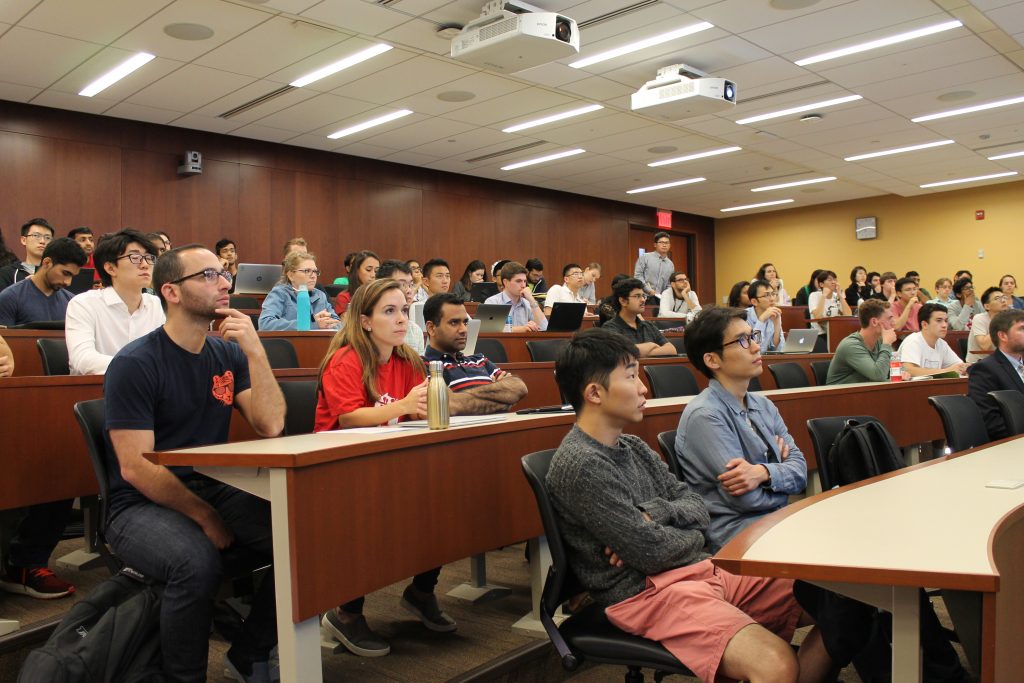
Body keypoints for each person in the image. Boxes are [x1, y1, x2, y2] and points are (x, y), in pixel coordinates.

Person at [545, 327, 834, 683]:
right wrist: (671, 535)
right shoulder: (581, 464)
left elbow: (698, 508)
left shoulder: (633, 446)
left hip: (700, 571)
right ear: (594, 392)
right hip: (646, 594)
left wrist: (656, 516)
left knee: (841, 597)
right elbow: (652, 553)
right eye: (632, 376)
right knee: (776, 665)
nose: (643, 388)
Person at [103, 244, 285, 681]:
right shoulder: (135, 363)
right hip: (139, 503)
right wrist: (205, 516)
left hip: (211, 484)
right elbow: (136, 467)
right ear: (172, 292)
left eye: (224, 273)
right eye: (207, 275)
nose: (224, 283)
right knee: (195, 563)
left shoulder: (226, 354)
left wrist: (256, 352)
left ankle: (250, 653)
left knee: (303, 535)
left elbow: (271, 425)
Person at [315, 279, 454, 657]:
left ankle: (421, 593)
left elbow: (415, 411)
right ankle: (345, 614)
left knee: (441, 505)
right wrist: (403, 405)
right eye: (388, 311)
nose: (399, 319)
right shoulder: (345, 359)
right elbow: (349, 419)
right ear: (364, 321)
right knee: (363, 526)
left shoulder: (407, 358)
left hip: (387, 456)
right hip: (337, 466)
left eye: (403, 311)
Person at [675, 307, 808, 552]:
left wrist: (762, 472)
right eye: (743, 341)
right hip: (738, 536)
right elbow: (746, 499)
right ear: (712, 360)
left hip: (776, 520)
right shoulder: (705, 415)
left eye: (753, 336)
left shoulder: (763, 404)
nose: (756, 346)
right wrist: (780, 473)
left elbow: (801, 473)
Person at [65, 229, 165, 375]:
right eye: (135, 257)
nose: (145, 265)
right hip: (98, 392)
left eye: (149, 258)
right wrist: (141, 367)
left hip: (150, 391)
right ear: (110, 268)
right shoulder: (83, 304)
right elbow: (82, 360)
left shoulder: (158, 305)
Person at [422, 292, 528, 413]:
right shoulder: (424, 365)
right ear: (431, 328)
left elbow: (518, 387)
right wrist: (498, 394)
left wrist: (457, 400)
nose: (464, 330)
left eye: (465, 322)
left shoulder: (479, 360)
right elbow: (443, 405)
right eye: (454, 323)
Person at [0, 237, 87, 327]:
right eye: (65, 273)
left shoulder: (72, 302)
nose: (68, 282)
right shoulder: (10, 298)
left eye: (72, 276)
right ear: (47, 263)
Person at [967, 309, 1024, 441]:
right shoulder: (985, 369)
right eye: (1022, 328)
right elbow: (991, 422)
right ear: (1003, 336)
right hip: (1009, 446)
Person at [259, 250, 339, 331]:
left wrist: (329, 323)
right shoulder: (279, 293)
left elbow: (339, 324)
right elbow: (265, 324)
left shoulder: (320, 295)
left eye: (315, 271)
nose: (313, 276)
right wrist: (312, 324)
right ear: (291, 275)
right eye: (307, 271)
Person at [826, 300, 897, 384]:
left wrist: (902, 373)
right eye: (889, 318)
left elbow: (893, 369)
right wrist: (887, 344)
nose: (894, 323)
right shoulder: (851, 345)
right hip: (840, 394)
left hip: (864, 392)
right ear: (874, 322)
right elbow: (879, 375)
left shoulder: (880, 341)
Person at [603, 278, 675, 357]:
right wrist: (650, 345)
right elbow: (620, 354)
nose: (643, 300)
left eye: (643, 296)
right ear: (623, 301)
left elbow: (671, 350)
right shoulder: (610, 328)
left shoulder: (649, 326)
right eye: (637, 296)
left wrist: (641, 352)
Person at [899, 304, 968, 378]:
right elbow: (909, 370)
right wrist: (946, 371)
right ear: (924, 324)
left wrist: (965, 367)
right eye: (939, 321)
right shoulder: (913, 341)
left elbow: (958, 365)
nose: (944, 325)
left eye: (946, 321)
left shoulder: (942, 344)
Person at [484, 261, 548, 332]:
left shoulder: (527, 303)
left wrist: (531, 300)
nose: (523, 285)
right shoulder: (492, 302)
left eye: (524, 281)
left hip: (523, 342)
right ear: (505, 282)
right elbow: (488, 329)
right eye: (518, 281)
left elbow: (544, 327)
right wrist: (522, 329)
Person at [377, 259, 425, 354]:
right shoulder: (376, 326)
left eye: (411, 285)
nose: (409, 290)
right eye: (402, 284)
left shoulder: (415, 330)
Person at [0, 218, 56, 291]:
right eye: (36, 236)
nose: (42, 241)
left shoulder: (57, 273)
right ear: (24, 240)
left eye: (47, 238)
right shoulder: (7, 273)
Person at [966, 286, 1010, 363]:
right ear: (987, 306)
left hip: (1000, 362)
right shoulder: (979, 318)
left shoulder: (1011, 318)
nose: (1003, 301)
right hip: (978, 364)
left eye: (1004, 297)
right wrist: (999, 322)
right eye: (997, 298)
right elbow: (984, 346)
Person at [334, 250, 380, 315]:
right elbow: (346, 323)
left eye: (376, 271)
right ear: (356, 270)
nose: (373, 275)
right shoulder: (344, 297)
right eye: (368, 270)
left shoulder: (382, 294)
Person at [807, 270, 851, 335]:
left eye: (835, 280)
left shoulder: (836, 296)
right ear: (821, 284)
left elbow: (848, 315)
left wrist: (841, 296)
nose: (833, 282)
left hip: (836, 331)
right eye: (830, 280)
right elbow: (817, 316)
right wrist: (824, 296)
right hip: (819, 333)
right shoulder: (814, 295)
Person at [746, 279, 784, 352]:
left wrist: (777, 325)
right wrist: (761, 320)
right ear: (754, 301)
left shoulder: (773, 314)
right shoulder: (744, 317)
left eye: (773, 294)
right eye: (767, 295)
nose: (772, 299)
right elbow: (755, 348)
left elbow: (779, 349)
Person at [633, 232, 674, 301]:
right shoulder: (645, 257)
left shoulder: (670, 264)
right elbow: (638, 276)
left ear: (670, 245)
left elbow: (669, 284)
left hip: (661, 300)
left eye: (667, 243)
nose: (664, 245)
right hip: (643, 297)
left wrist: (665, 296)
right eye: (661, 242)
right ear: (655, 245)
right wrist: (649, 290)